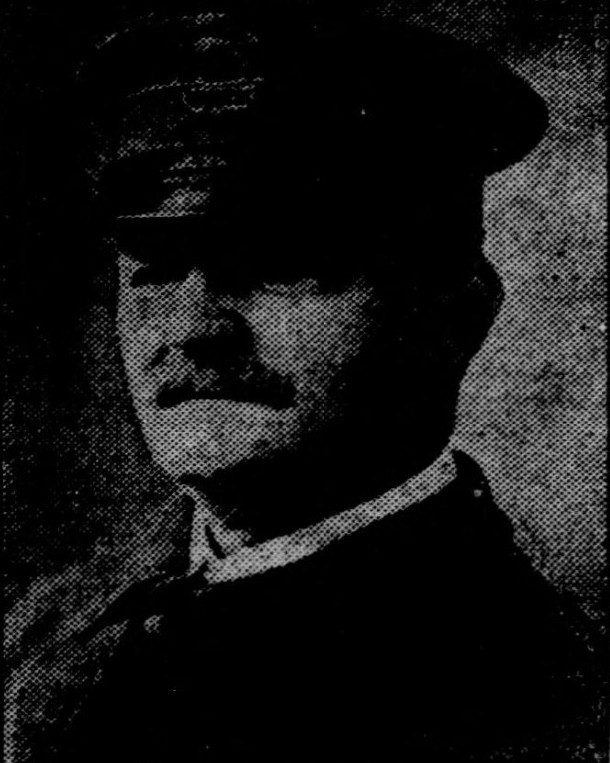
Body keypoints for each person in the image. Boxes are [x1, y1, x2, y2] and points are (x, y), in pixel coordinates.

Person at [6, 4, 602, 762]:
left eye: (280, 264)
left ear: (453, 314)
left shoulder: (542, 703)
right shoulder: (45, 625)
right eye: (155, 267)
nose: (193, 328)